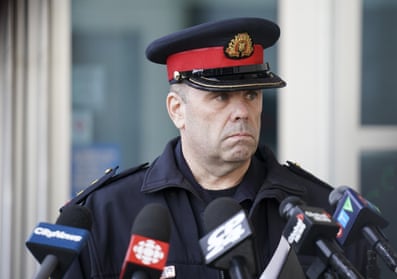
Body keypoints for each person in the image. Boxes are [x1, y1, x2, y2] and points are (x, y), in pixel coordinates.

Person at [62, 17, 369, 278]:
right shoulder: (107, 214)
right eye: (220, 97)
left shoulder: (319, 211)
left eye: (251, 94)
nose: (242, 112)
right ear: (177, 110)